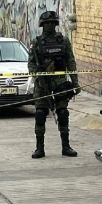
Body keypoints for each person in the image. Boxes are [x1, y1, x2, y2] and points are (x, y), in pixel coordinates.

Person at [28, 11, 80, 159]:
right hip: (42, 83)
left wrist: (75, 82)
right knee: (40, 114)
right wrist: (37, 77)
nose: (49, 25)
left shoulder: (63, 41)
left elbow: (70, 62)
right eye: (47, 23)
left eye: (52, 23)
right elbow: (31, 64)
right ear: (42, 25)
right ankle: (39, 148)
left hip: (60, 82)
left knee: (63, 113)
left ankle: (66, 146)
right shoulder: (36, 42)